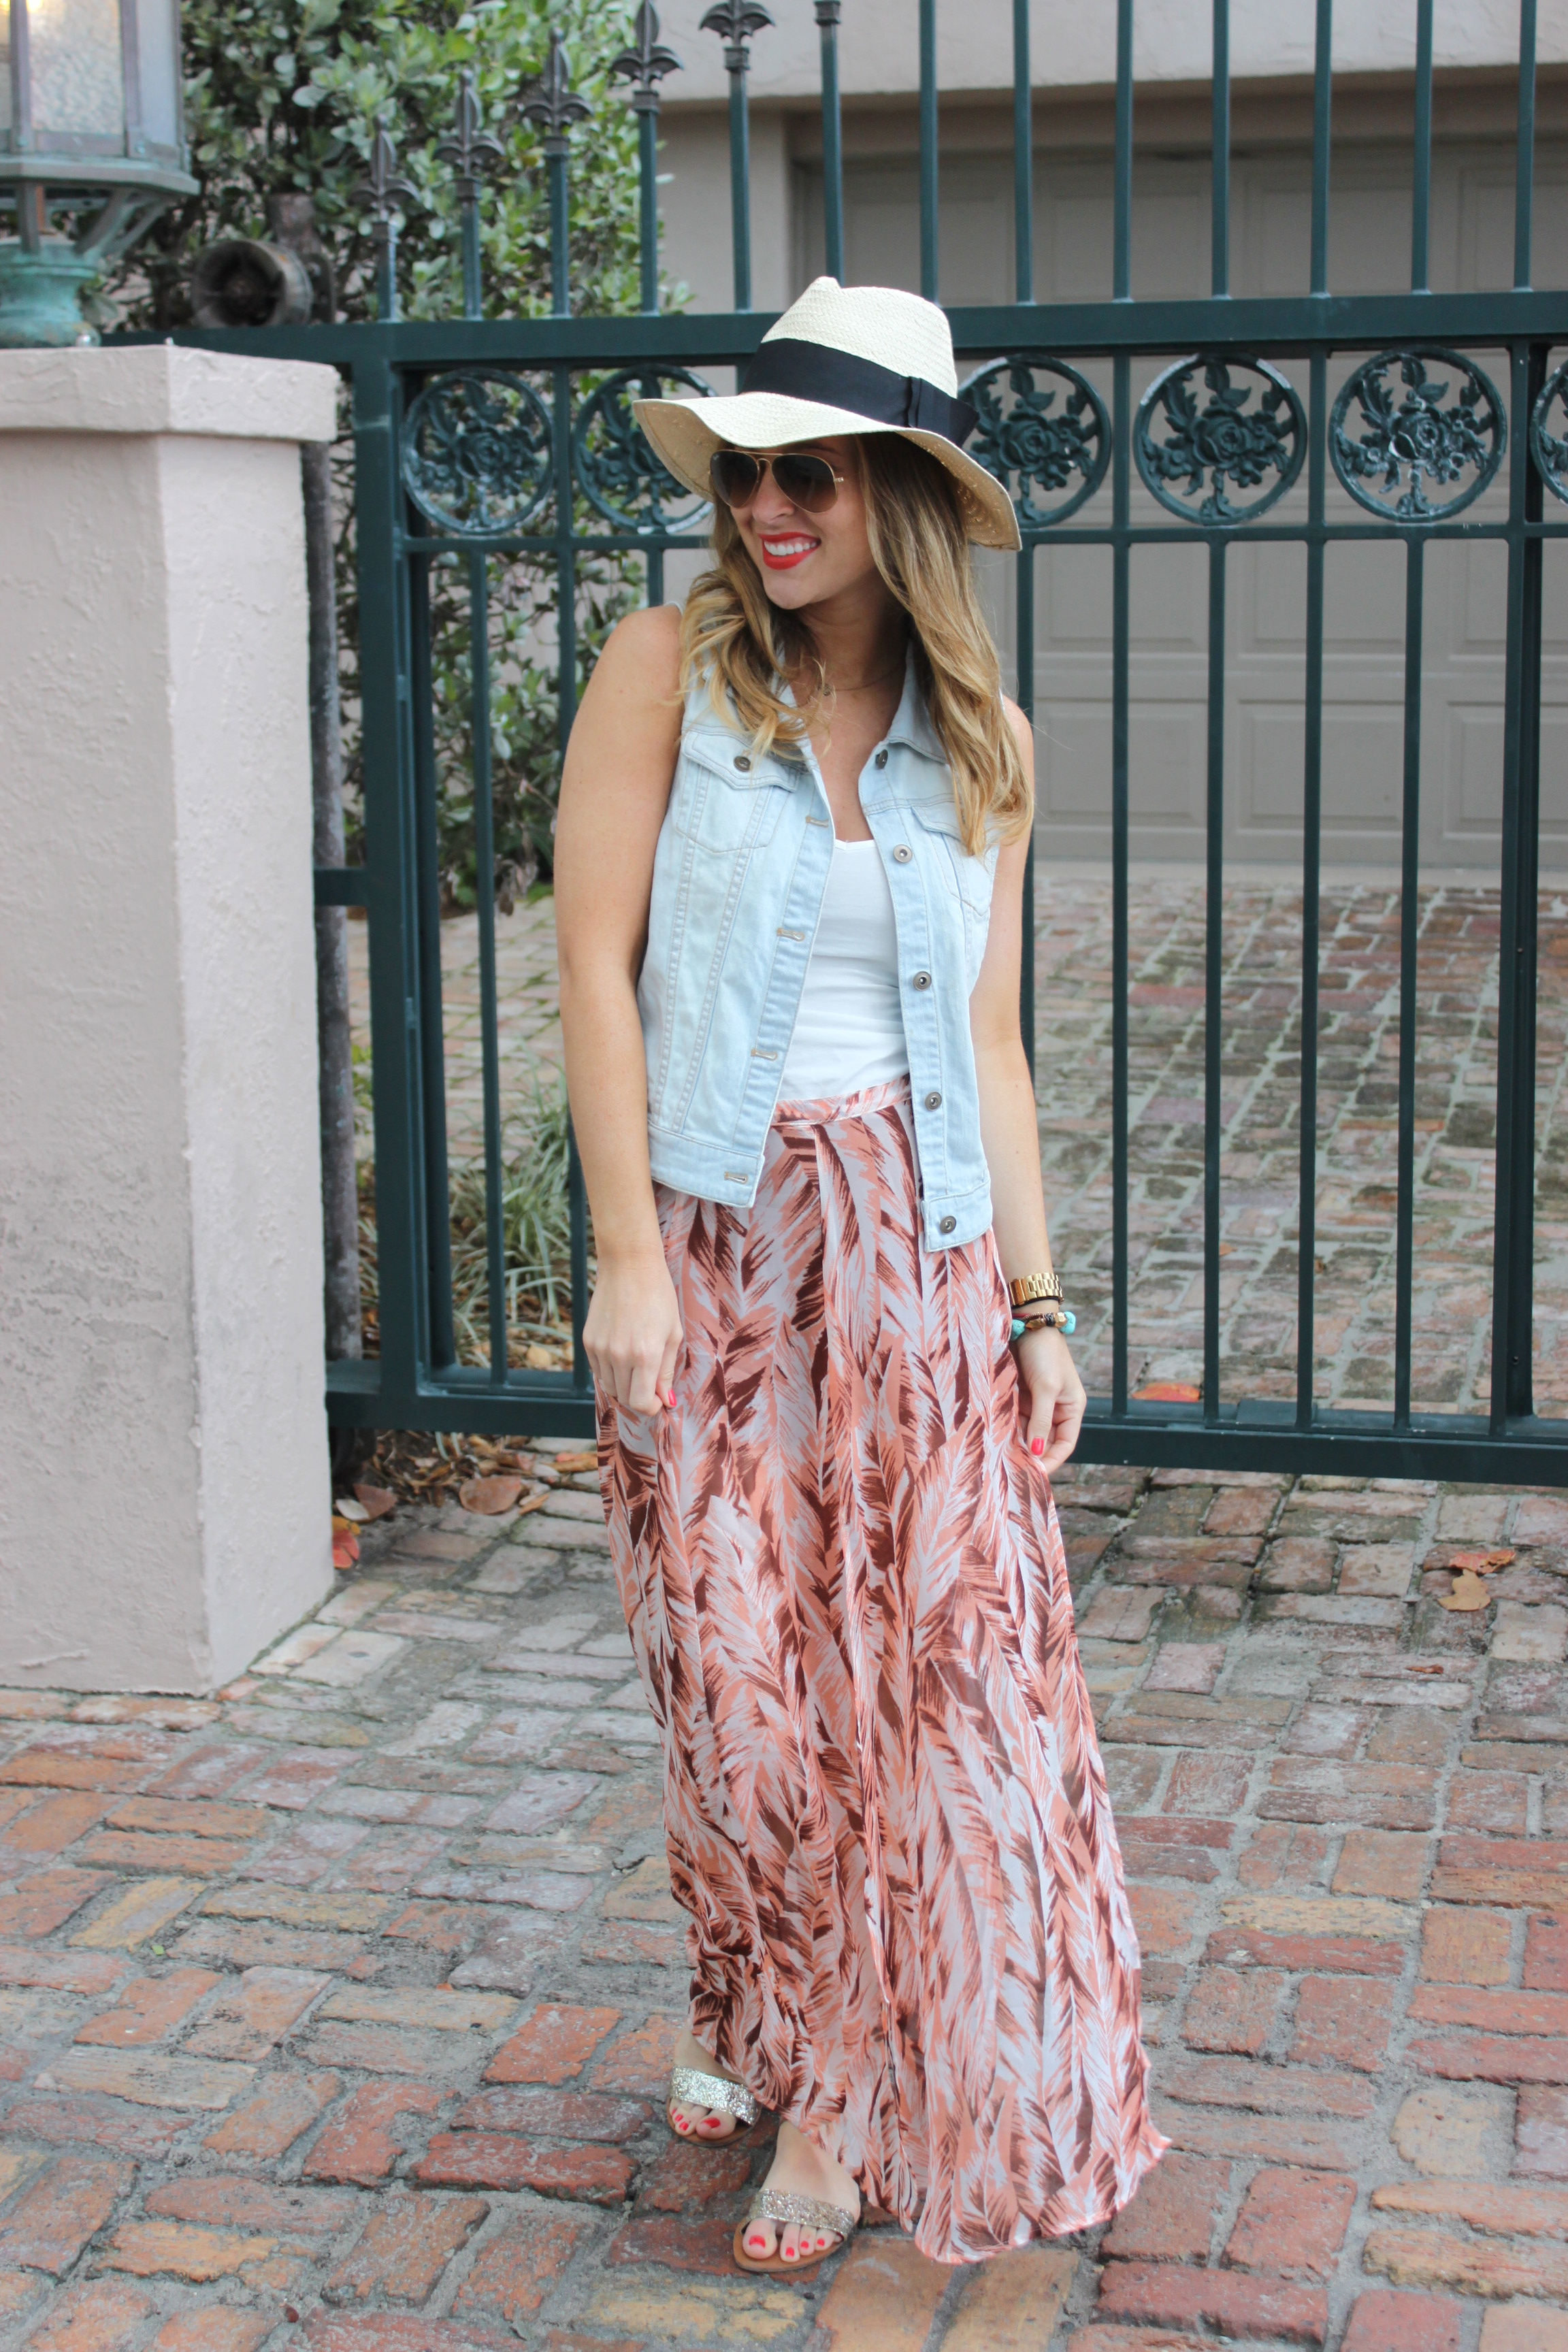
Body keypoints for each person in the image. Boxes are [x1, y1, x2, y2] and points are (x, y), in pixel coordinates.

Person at [554, 278, 1164, 2275]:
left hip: (916, 1258)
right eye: (745, 476)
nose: (764, 511)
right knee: (735, 1689)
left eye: (806, 475)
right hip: (719, 1245)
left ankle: (831, 2100)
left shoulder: (982, 737)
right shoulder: (662, 669)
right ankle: (762, 1992)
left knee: (914, 1692)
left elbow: (986, 1045)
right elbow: (592, 971)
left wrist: (1045, 1305)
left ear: (896, 492)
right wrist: (631, 1259)